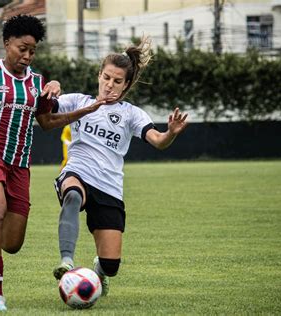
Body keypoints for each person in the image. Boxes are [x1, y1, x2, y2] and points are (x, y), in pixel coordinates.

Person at [0, 14, 117, 312]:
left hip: (19, 165)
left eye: (32, 50)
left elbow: (48, 122)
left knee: (12, 243)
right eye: (22, 48)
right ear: (7, 43)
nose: (27, 55)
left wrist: (86, 110)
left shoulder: (38, 83)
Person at [51, 37, 188, 297]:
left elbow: (158, 141)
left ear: (125, 85)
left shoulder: (131, 114)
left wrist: (171, 132)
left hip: (109, 187)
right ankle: (66, 261)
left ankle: (99, 271)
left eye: (116, 81)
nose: (109, 85)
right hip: (77, 172)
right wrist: (50, 87)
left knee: (111, 266)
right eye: (106, 78)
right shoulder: (78, 101)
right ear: (99, 75)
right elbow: (46, 106)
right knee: (71, 195)